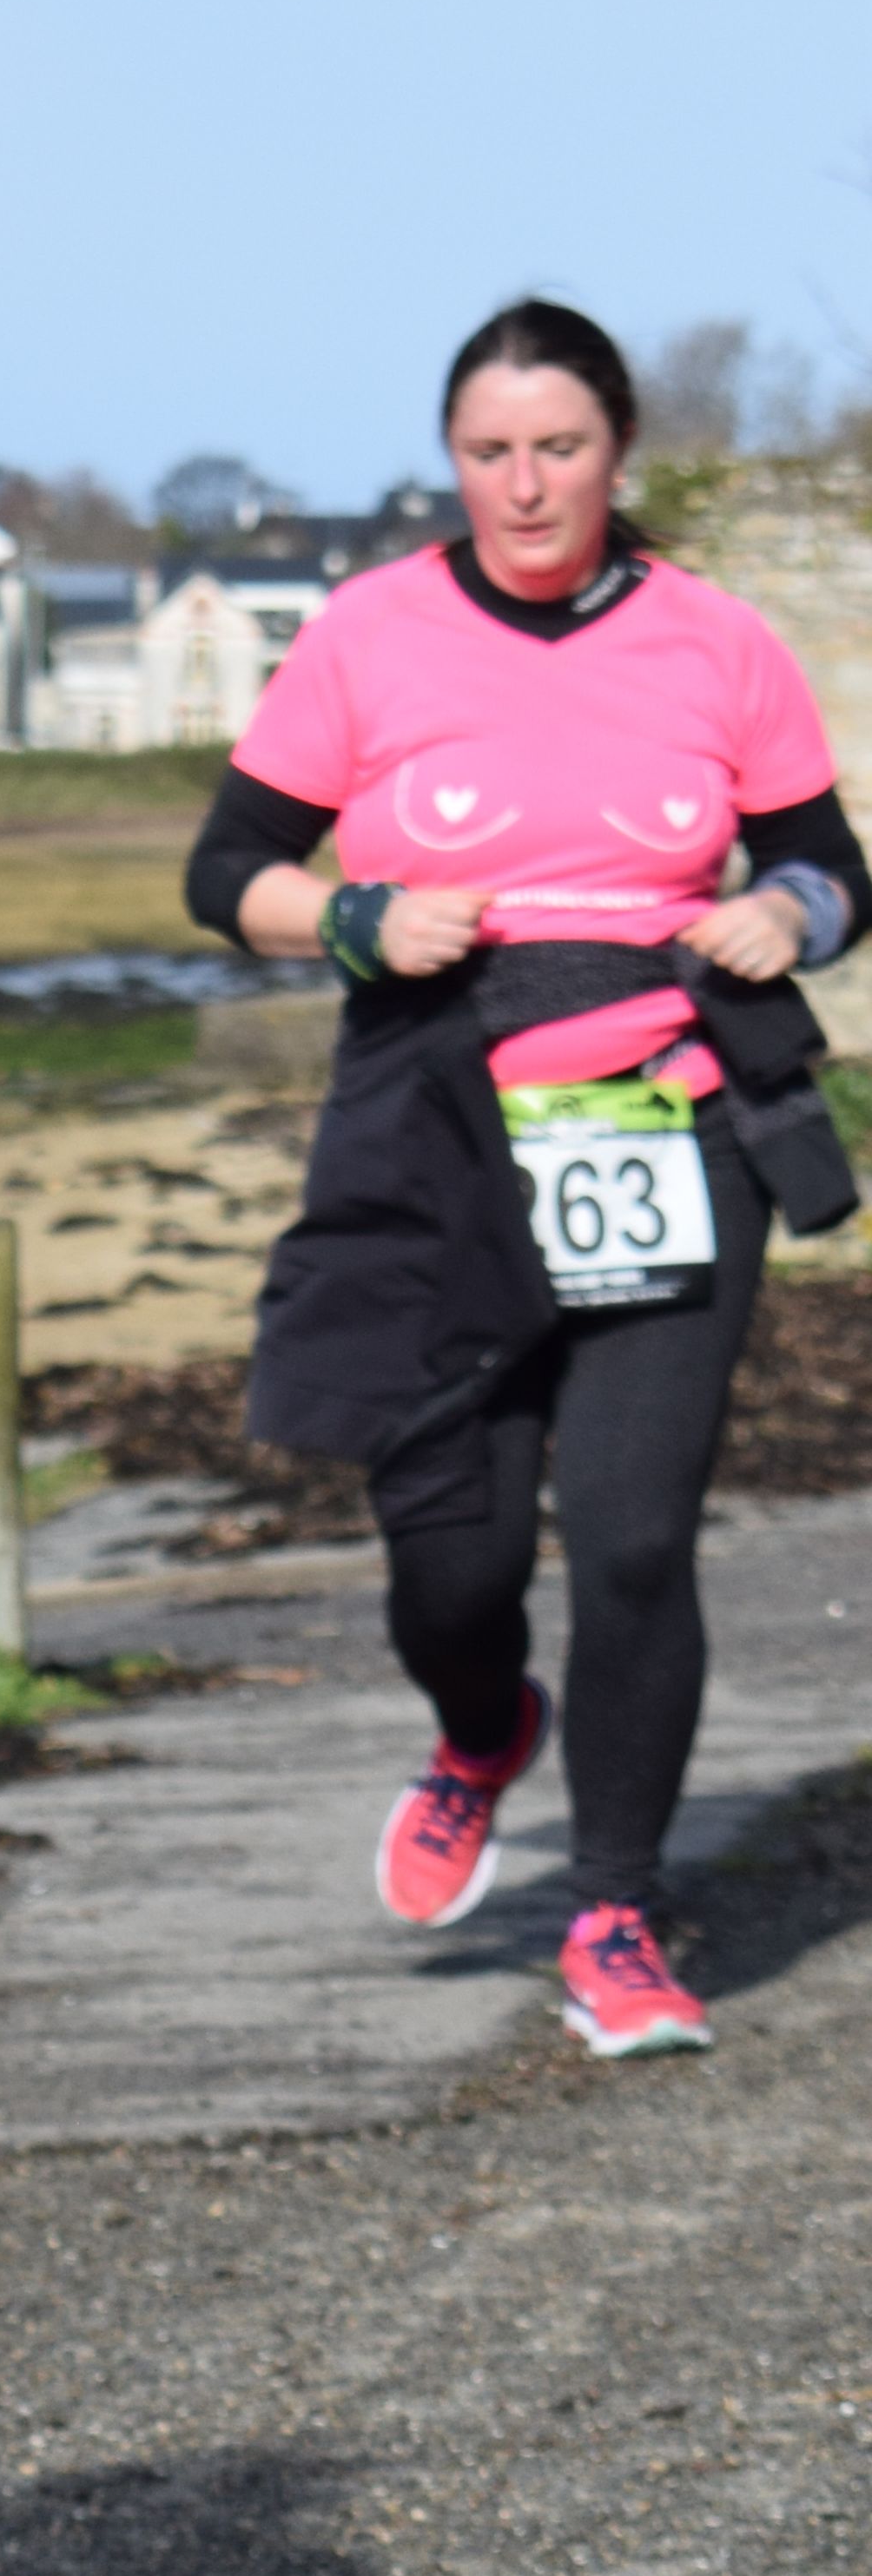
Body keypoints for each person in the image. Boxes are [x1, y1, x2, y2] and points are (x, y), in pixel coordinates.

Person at [186, 295, 865, 2053]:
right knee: (454, 1564)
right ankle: (484, 1732)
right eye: (488, 452)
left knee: (633, 1541)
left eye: (558, 446)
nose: (526, 483)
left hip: (669, 1114)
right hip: (430, 1121)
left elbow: (829, 863)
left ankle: (616, 1911)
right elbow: (226, 868)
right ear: (453, 463)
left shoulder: (715, 640)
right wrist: (352, 916)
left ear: (617, 451)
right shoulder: (369, 631)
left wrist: (786, 915)